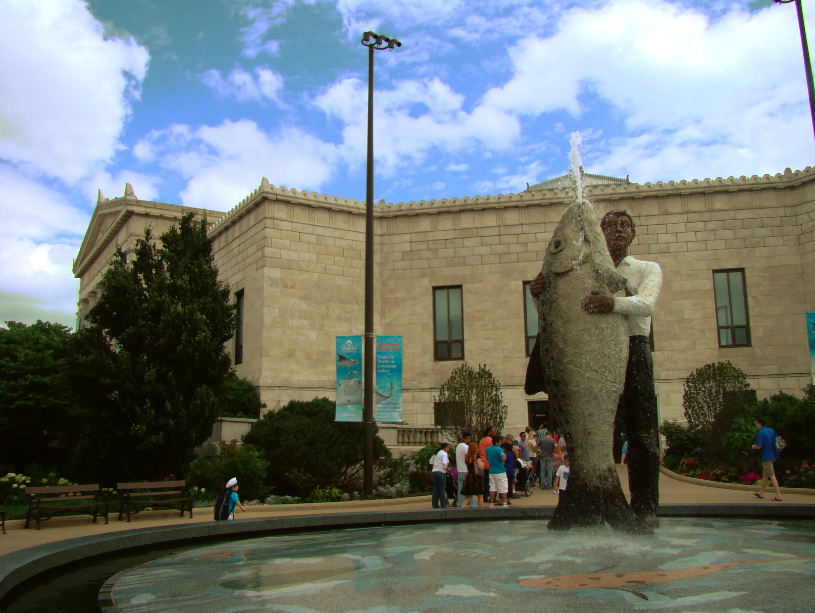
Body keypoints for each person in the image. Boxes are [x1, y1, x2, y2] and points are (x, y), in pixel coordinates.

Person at [529, 209, 662, 526]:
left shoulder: (645, 269)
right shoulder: (583, 265)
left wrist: (612, 303)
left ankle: (645, 507)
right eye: (610, 225)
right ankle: (595, 499)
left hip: (635, 347)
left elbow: (647, 304)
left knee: (642, 435)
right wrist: (539, 294)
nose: (617, 230)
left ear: (633, 234)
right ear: (596, 233)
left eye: (624, 225)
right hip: (595, 356)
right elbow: (562, 314)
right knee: (600, 433)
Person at [752, 417, 783, 501]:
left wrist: (753, 446)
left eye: (756, 424)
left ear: (759, 423)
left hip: (767, 457)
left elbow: (759, 446)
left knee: (771, 475)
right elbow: (778, 441)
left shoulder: (760, 432)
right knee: (765, 475)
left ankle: (778, 495)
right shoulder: (771, 430)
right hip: (774, 456)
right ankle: (761, 492)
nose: (756, 425)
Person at [460, 442, 485, 508]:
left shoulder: (468, 457)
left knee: (469, 495)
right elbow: (480, 466)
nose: (478, 449)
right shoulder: (477, 458)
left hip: (469, 477)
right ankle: (481, 510)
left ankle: (462, 508)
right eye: (477, 448)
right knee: (480, 495)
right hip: (476, 478)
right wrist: (483, 463)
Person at [485, 436, 508, 508]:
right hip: (500, 471)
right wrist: (505, 454)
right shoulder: (499, 449)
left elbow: (486, 458)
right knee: (502, 487)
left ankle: (491, 503)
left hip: (491, 470)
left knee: (492, 487)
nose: (501, 443)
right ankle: (504, 502)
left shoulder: (487, 449)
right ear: (496, 442)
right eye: (500, 441)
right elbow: (503, 458)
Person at [456, 432, 476, 508]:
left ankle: (459, 504)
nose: (469, 440)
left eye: (470, 438)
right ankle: (472, 505)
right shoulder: (466, 447)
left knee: (461, 489)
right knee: (471, 489)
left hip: (460, 470)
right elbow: (469, 458)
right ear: (463, 439)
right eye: (467, 438)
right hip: (466, 470)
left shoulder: (458, 446)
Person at [479, 425, 497, 503]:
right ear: (489, 432)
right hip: (489, 463)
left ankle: (485, 497)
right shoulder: (490, 440)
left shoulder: (482, 440)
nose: (495, 433)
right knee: (491, 482)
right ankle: (492, 497)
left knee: (485, 482)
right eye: (493, 432)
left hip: (483, 463)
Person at [431, 442, 451, 508]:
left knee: (435, 489)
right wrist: (447, 468)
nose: (448, 449)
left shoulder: (436, 453)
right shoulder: (444, 454)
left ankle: (435, 504)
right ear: (443, 448)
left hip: (434, 471)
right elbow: (445, 463)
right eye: (447, 448)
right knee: (442, 489)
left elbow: (430, 461)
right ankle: (443, 504)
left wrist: (436, 465)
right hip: (441, 472)